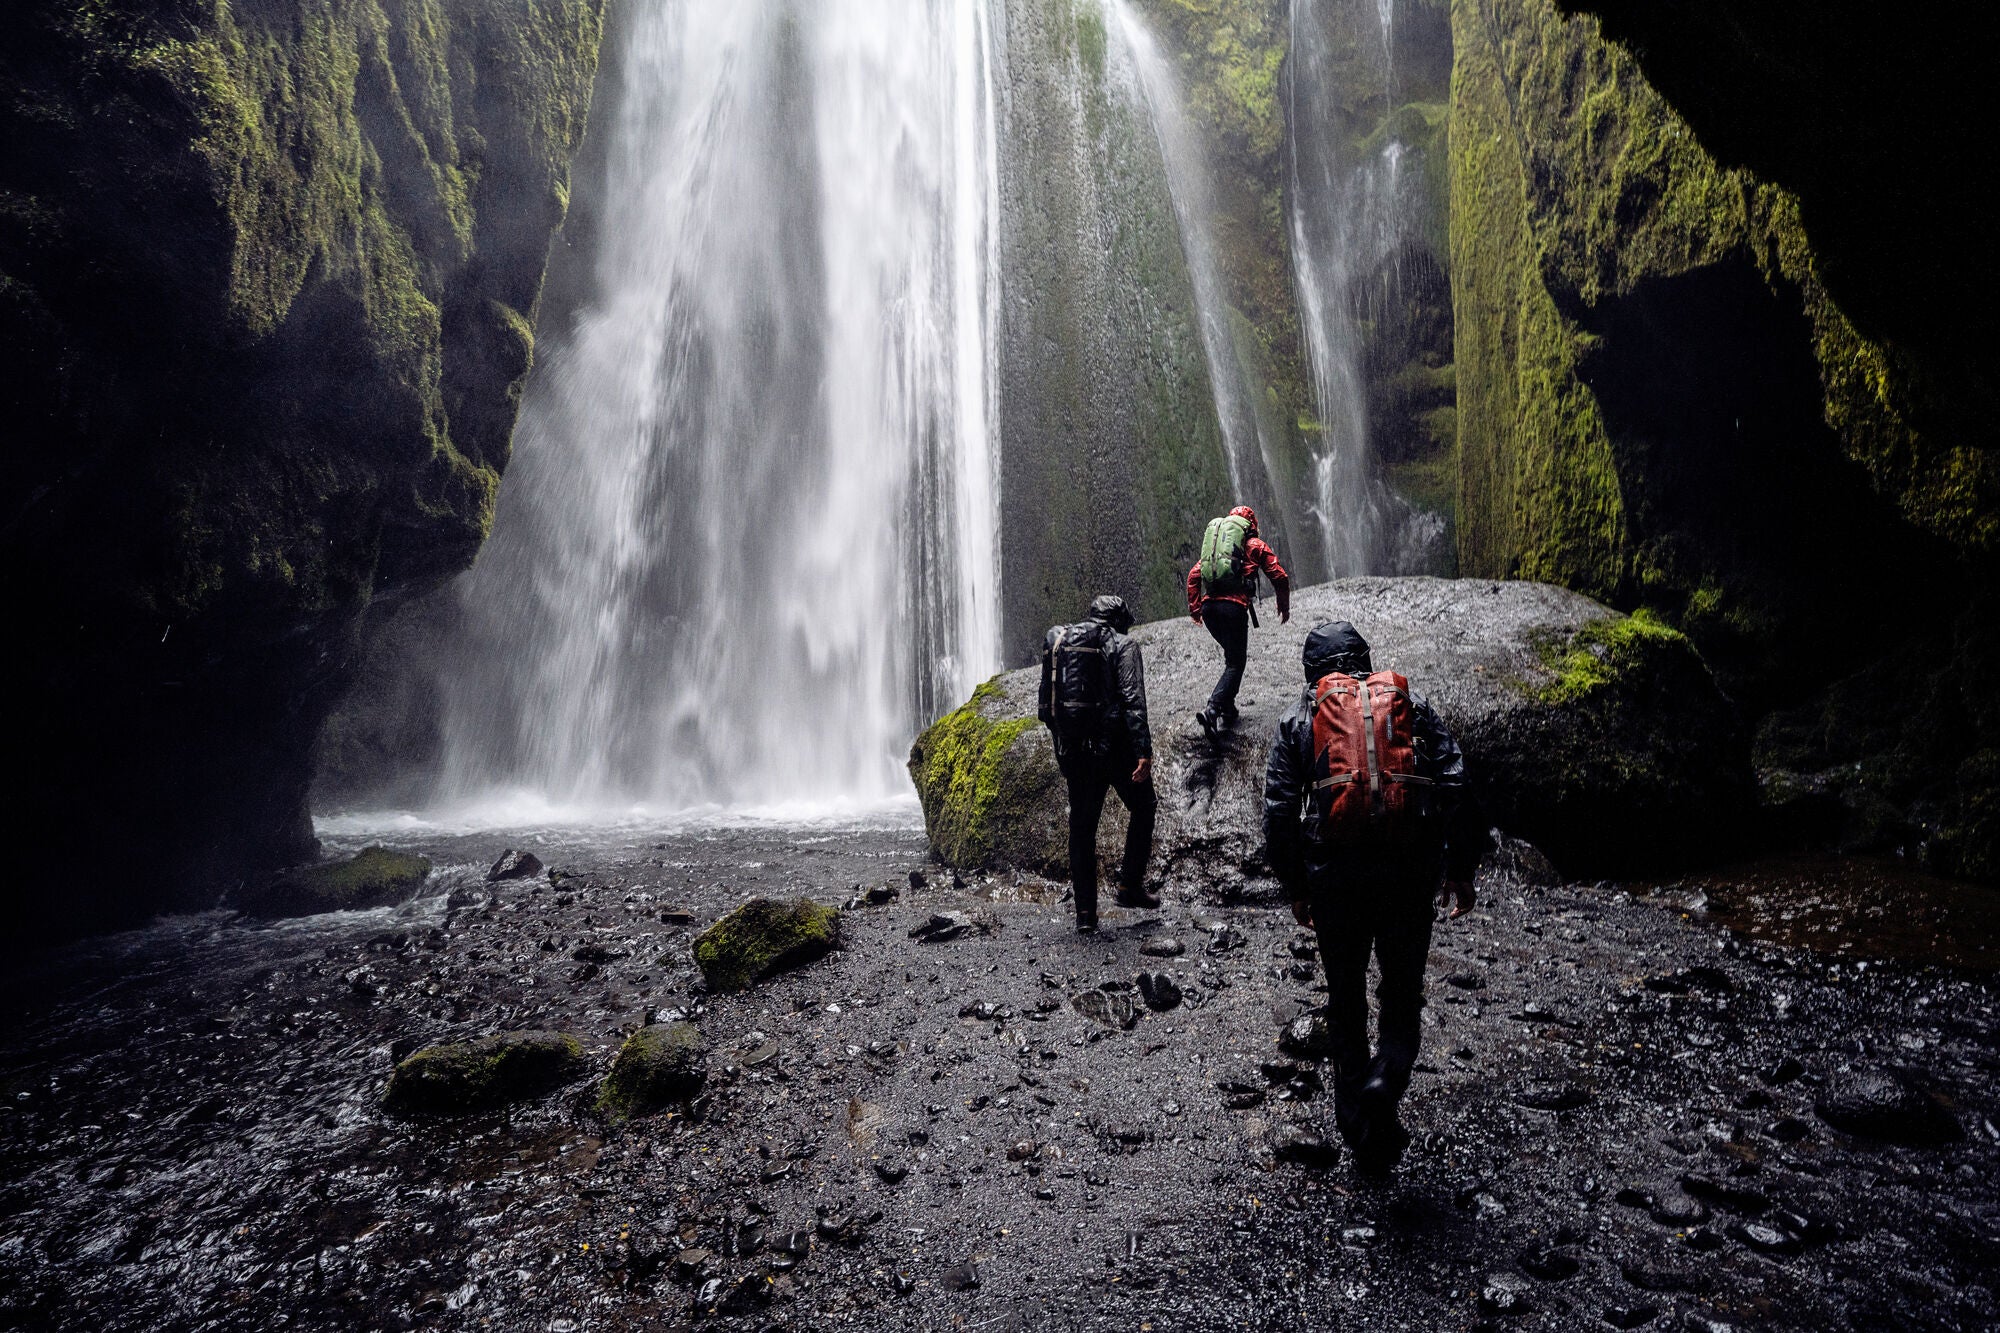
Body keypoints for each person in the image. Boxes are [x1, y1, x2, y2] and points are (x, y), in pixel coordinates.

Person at [1261, 620, 1488, 1178]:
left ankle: (1359, 1126)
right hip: (1410, 871)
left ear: (1313, 671)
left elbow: (1278, 812)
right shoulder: (1409, 705)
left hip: (1335, 877)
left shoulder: (1301, 717)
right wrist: (1459, 869)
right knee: (1402, 987)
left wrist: (1296, 886)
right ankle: (1388, 1072)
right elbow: (1458, 782)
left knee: (1345, 998)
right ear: (1365, 658)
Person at [1037, 594, 1158, 932]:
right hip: (1115, 750)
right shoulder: (1123, 645)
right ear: (1119, 618)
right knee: (1145, 806)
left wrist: (1066, 744)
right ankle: (1129, 885)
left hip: (1076, 750)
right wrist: (1143, 751)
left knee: (1082, 829)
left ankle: (1085, 916)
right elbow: (1133, 700)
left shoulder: (1063, 642)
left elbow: (1045, 707)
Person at [1186, 505, 1290, 735]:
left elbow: (1194, 576)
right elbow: (1279, 575)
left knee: (1232, 657)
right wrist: (1283, 604)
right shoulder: (1254, 545)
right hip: (1233, 609)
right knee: (1236, 663)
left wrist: (1196, 610)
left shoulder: (1215, 551)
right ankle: (1212, 710)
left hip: (1210, 609)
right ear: (1251, 525)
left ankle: (1227, 707)